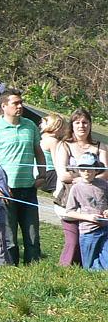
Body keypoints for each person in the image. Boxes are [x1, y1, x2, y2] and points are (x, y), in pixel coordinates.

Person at [0, 89, 46, 265]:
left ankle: (34, 269)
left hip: (28, 189)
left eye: (21, 102)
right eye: (15, 103)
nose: (20, 106)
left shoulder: (30, 126)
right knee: (9, 237)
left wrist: (42, 174)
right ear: (3, 106)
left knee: (32, 235)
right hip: (6, 192)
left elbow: (38, 151)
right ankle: (11, 270)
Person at [54, 108, 108, 267]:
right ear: (72, 125)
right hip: (69, 199)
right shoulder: (64, 145)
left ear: (90, 125)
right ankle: (64, 270)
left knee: (97, 239)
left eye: (85, 122)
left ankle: (91, 269)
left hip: (96, 202)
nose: (81, 126)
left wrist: (86, 179)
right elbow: (63, 175)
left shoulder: (100, 147)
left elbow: (105, 174)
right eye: (77, 122)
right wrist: (86, 179)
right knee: (73, 242)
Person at [64, 152, 108, 271]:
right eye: (83, 169)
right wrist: (88, 217)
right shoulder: (76, 188)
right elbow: (69, 212)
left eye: (89, 169)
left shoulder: (104, 184)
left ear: (96, 170)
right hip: (88, 231)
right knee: (89, 264)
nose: (86, 172)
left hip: (105, 228)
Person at [39, 114, 66, 195]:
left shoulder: (42, 138)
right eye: (63, 128)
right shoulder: (53, 141)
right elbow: (57, 163)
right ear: (57, 128)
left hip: (38, 173)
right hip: (49, 174)